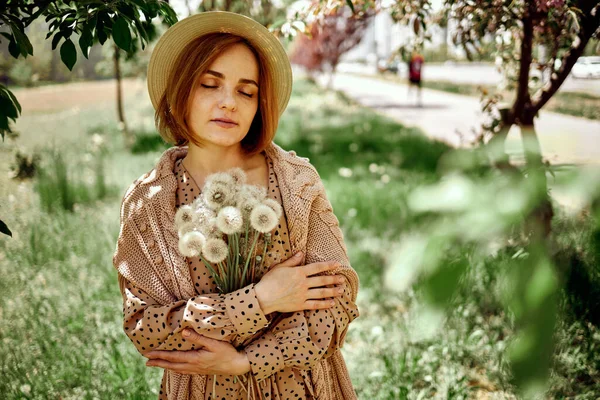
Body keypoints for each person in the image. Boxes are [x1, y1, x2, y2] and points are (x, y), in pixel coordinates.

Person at [112, 11, 360, 400]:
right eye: (210, 84)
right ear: (180, 93)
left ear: (260, 105)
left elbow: (337, 299)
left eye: (246, 91)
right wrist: (260, 300)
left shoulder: (296, 182)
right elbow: (147, 327)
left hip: (304, 388)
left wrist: (248, 361)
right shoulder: (148, 204)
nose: (229, 102)